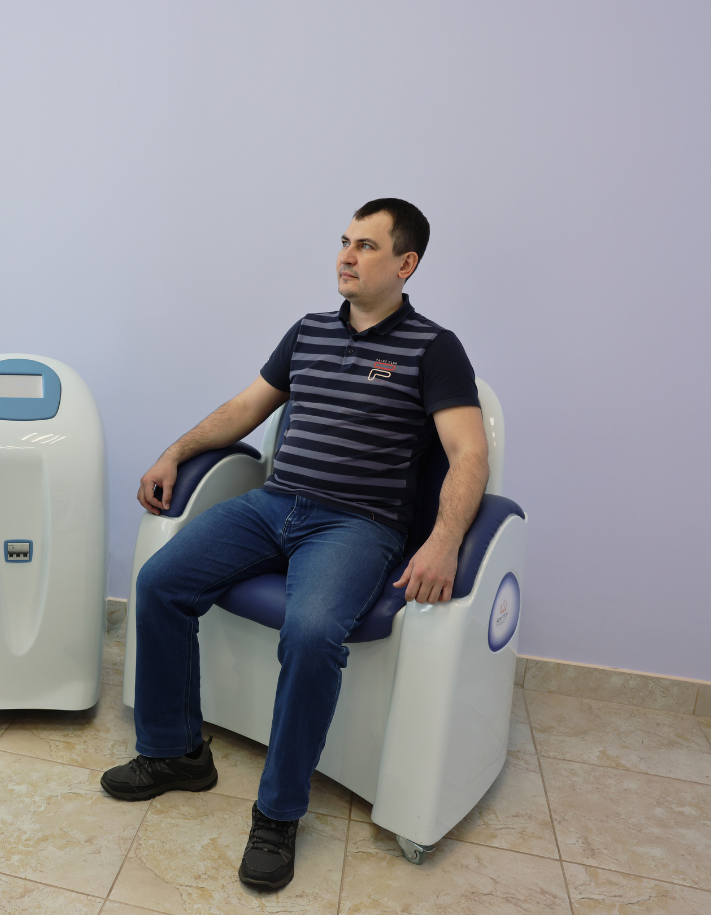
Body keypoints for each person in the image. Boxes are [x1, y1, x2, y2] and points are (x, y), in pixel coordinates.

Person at [100, 199, 489, 890]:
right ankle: (174, 752)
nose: (346, 255)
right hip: (273, 504)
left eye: (366, 246)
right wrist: (174, 452)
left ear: (406, 263)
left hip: (357, 525)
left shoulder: (435, 348)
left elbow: (469, 454)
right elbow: (244, 409)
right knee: (160, 582)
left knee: (311, 633)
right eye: (345, 241)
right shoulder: (307, 331)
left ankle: (278, 813)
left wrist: (444, 539)